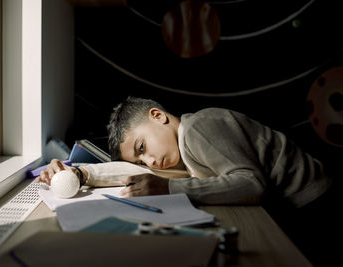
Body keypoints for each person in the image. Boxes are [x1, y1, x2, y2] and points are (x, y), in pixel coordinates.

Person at [36, 96, 337, 266]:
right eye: (140, 160)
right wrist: (81, 173)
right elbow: (149, 176)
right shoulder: (183, 155)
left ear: (158, 116)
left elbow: (250, 183)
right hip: (295, 206)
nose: (150, 161)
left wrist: (169, 187)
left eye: (142, 149)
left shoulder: (198, 127)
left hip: (315, 205)